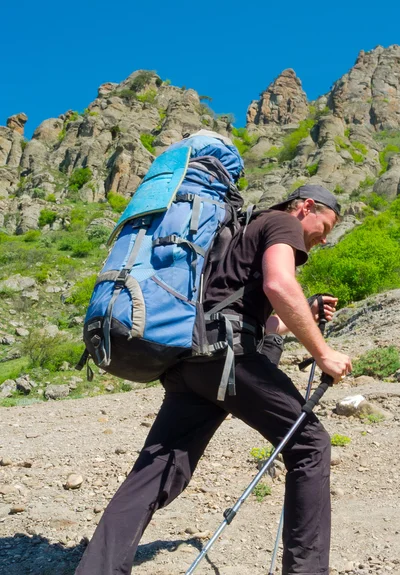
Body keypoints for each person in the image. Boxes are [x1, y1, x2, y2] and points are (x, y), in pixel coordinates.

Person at [76, 184, 353, 575]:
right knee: (309, 444)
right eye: (326, 226)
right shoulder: (282, 223)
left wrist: (302, 312)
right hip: (229, 359)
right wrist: (323, 353)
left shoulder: (242, 232)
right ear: (307, 206)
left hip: (191, 362)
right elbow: (279, 284)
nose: (324, 238)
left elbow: (258, 317)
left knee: (156, 470)